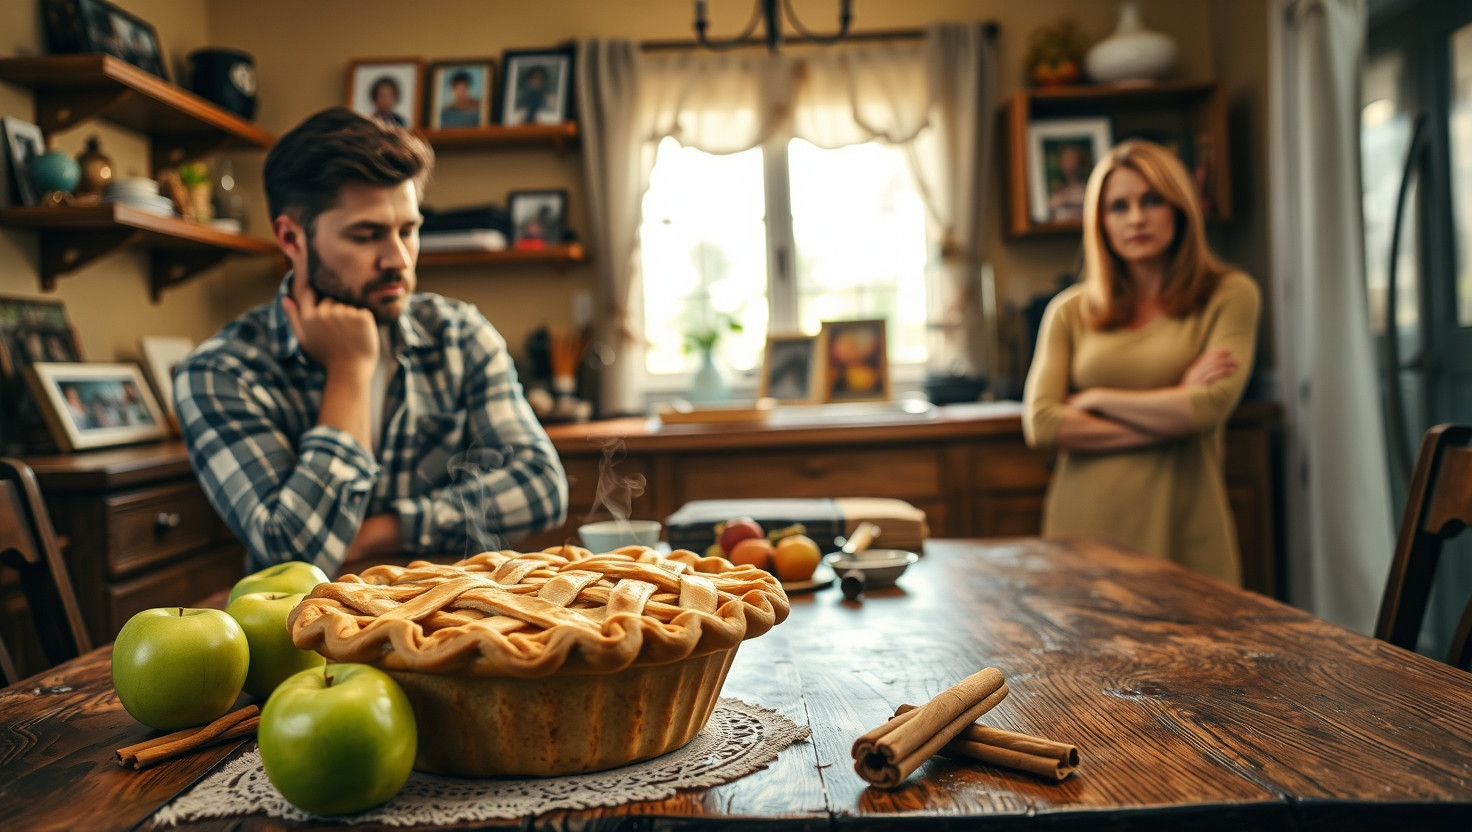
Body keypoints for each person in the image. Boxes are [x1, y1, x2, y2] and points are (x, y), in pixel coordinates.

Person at [175, 107, 568, 576]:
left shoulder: (460, 334)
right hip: (307, 636)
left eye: (409, 230)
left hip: (453, 617)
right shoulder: (220, 373)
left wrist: (382, 531)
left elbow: (543, 487)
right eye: (366, 235)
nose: (398, 259)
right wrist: (350, 372)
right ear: (292, 239)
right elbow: (295, 558)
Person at [1022, 139, 1260, 585]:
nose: (1136, 218)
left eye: (1151, 200)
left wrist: (1096, 398)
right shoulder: (1068, 310)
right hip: (1082, 531)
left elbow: (1208, 410)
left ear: (1180, 207)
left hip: (1185, 529)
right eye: (1118, 206)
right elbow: (1043, 425)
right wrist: (1175, 407)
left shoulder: (1229, 294)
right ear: (1100, 222)